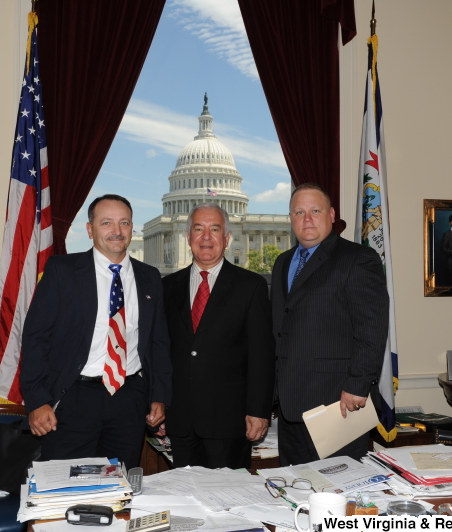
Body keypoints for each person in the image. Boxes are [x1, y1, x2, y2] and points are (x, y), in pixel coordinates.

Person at [20, 194, 172, 468]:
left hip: (130, 399)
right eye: (106, 223)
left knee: (119, 486)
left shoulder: (150, 277)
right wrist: (37, 400)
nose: (116, 231)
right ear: (90, 230)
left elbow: (158, 343)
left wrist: (159, 396)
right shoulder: (62, 271)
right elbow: (35, 338)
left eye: (124, 223)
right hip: (74, 399)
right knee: (64, 490)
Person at [271, 183, 389, 464]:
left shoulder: (357, 259)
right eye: (299, 212)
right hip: (289, 407)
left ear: (332, 214)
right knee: (295, 491)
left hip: (337, 405)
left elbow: (371, 329)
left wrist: (358, 384)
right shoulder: (283, 263)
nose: (307, 219)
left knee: (337, 494)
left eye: (315, 210)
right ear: (291, 219)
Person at [162, 203, 275, 469]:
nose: (206, 237)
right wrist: (159, 404)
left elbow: (262, 356)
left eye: (215, 229)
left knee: (228, 504)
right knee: (184, 501)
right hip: (180, 421)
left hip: (229, 421)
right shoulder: (167, 287)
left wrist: (259, 411)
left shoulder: (251, 286)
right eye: (198, 229)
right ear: (188, 237)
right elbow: (160, 351)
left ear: (227, 239)